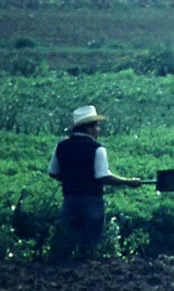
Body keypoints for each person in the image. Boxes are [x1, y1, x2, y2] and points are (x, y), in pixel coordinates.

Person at [48, 105, 142, 260]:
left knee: (66, 240)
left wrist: (72, 179)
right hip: (92, 201)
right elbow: (103, 176)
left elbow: (53, 172)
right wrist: (128, 182)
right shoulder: (97, 149)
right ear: (90, 129)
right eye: (97, 126)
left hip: (69, 200)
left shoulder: (61, 146)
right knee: (90, 243)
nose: (99, 130)